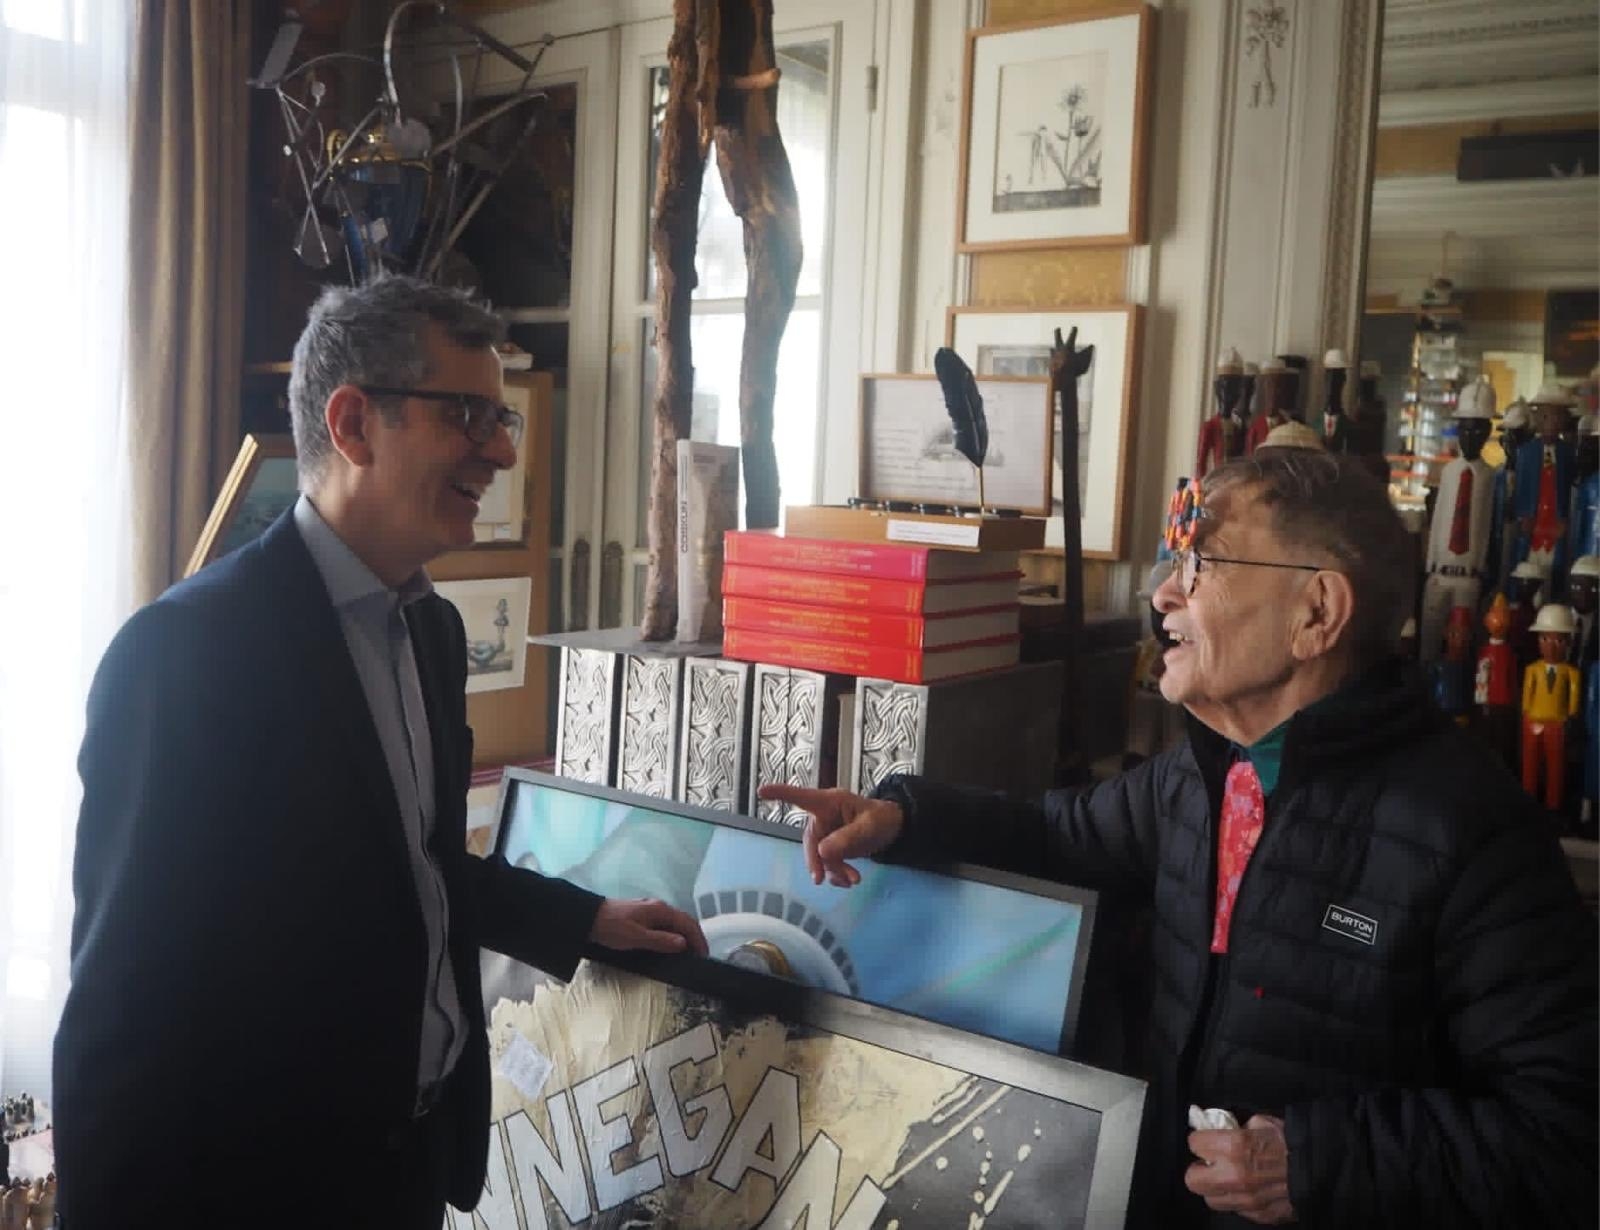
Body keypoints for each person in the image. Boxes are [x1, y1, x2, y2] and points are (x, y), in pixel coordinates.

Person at [763, 450, 1598, 1229]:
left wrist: (1317, 1163)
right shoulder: (1200, 775)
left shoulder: (1470, 831)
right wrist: (905, 816)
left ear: (1317, 612)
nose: (1164, 593)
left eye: (1203, 567)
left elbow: (1567, 1135)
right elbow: (1057, 834)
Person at [52, 275, 708, 1229]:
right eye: (468, 415)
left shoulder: (432, 631)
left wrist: (587, 918)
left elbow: (417, 867)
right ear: (355, 424)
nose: (502, 451)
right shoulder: (184, 655)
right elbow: (123, 1005)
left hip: (406, 1173)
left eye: (501, 418)